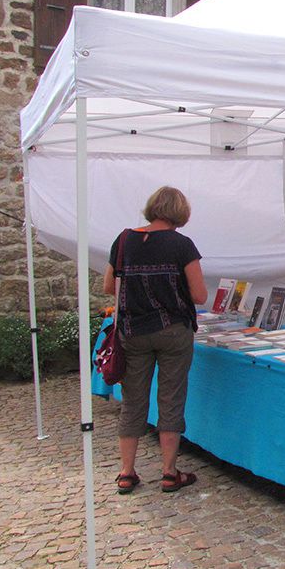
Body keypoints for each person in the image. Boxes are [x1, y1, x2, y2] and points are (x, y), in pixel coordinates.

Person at [103, 186, 208, 495]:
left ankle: (126, 472)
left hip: (133, 332)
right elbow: (200, 294)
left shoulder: (123, 240)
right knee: (171, 398)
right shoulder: (182, 245)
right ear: (180, 213)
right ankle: (168, 472)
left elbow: (110, 286)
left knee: (133, 401)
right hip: (173, 331)